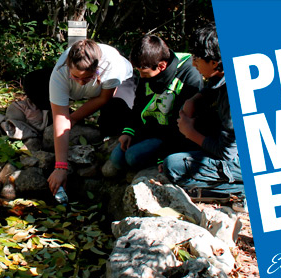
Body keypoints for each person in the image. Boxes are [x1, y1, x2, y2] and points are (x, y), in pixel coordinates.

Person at [160, 25, 244, 204]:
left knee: (173, 166)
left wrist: (191, 132)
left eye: (197, 59)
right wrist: (194, 100)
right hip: (230, 142)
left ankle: (241, 190)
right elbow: (211, 89)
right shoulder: (224, 71)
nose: (193, 63)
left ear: (214, 62)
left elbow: (226, 153)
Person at [104, 35, 203, 176]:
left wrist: (163, 155)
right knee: (117, 159)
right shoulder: (148, 69)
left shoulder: (189, 75)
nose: (141, 77)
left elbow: (184, 123)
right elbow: (138, 104)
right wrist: (129, 131)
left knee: (132, 158)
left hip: (172, 135)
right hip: (149, 129)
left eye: (143, 73)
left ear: (161, 66)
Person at [45, 39, 134, 193]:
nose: (80, 82)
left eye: (86, 78)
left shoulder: (112, 65)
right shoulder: (60, 71)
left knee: (113, 117)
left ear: (97, 69)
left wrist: (73, 118)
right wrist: (60, 166)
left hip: (120, 84)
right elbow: (60, 119)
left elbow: (103, 98)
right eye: (75, 77)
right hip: (87, 91)